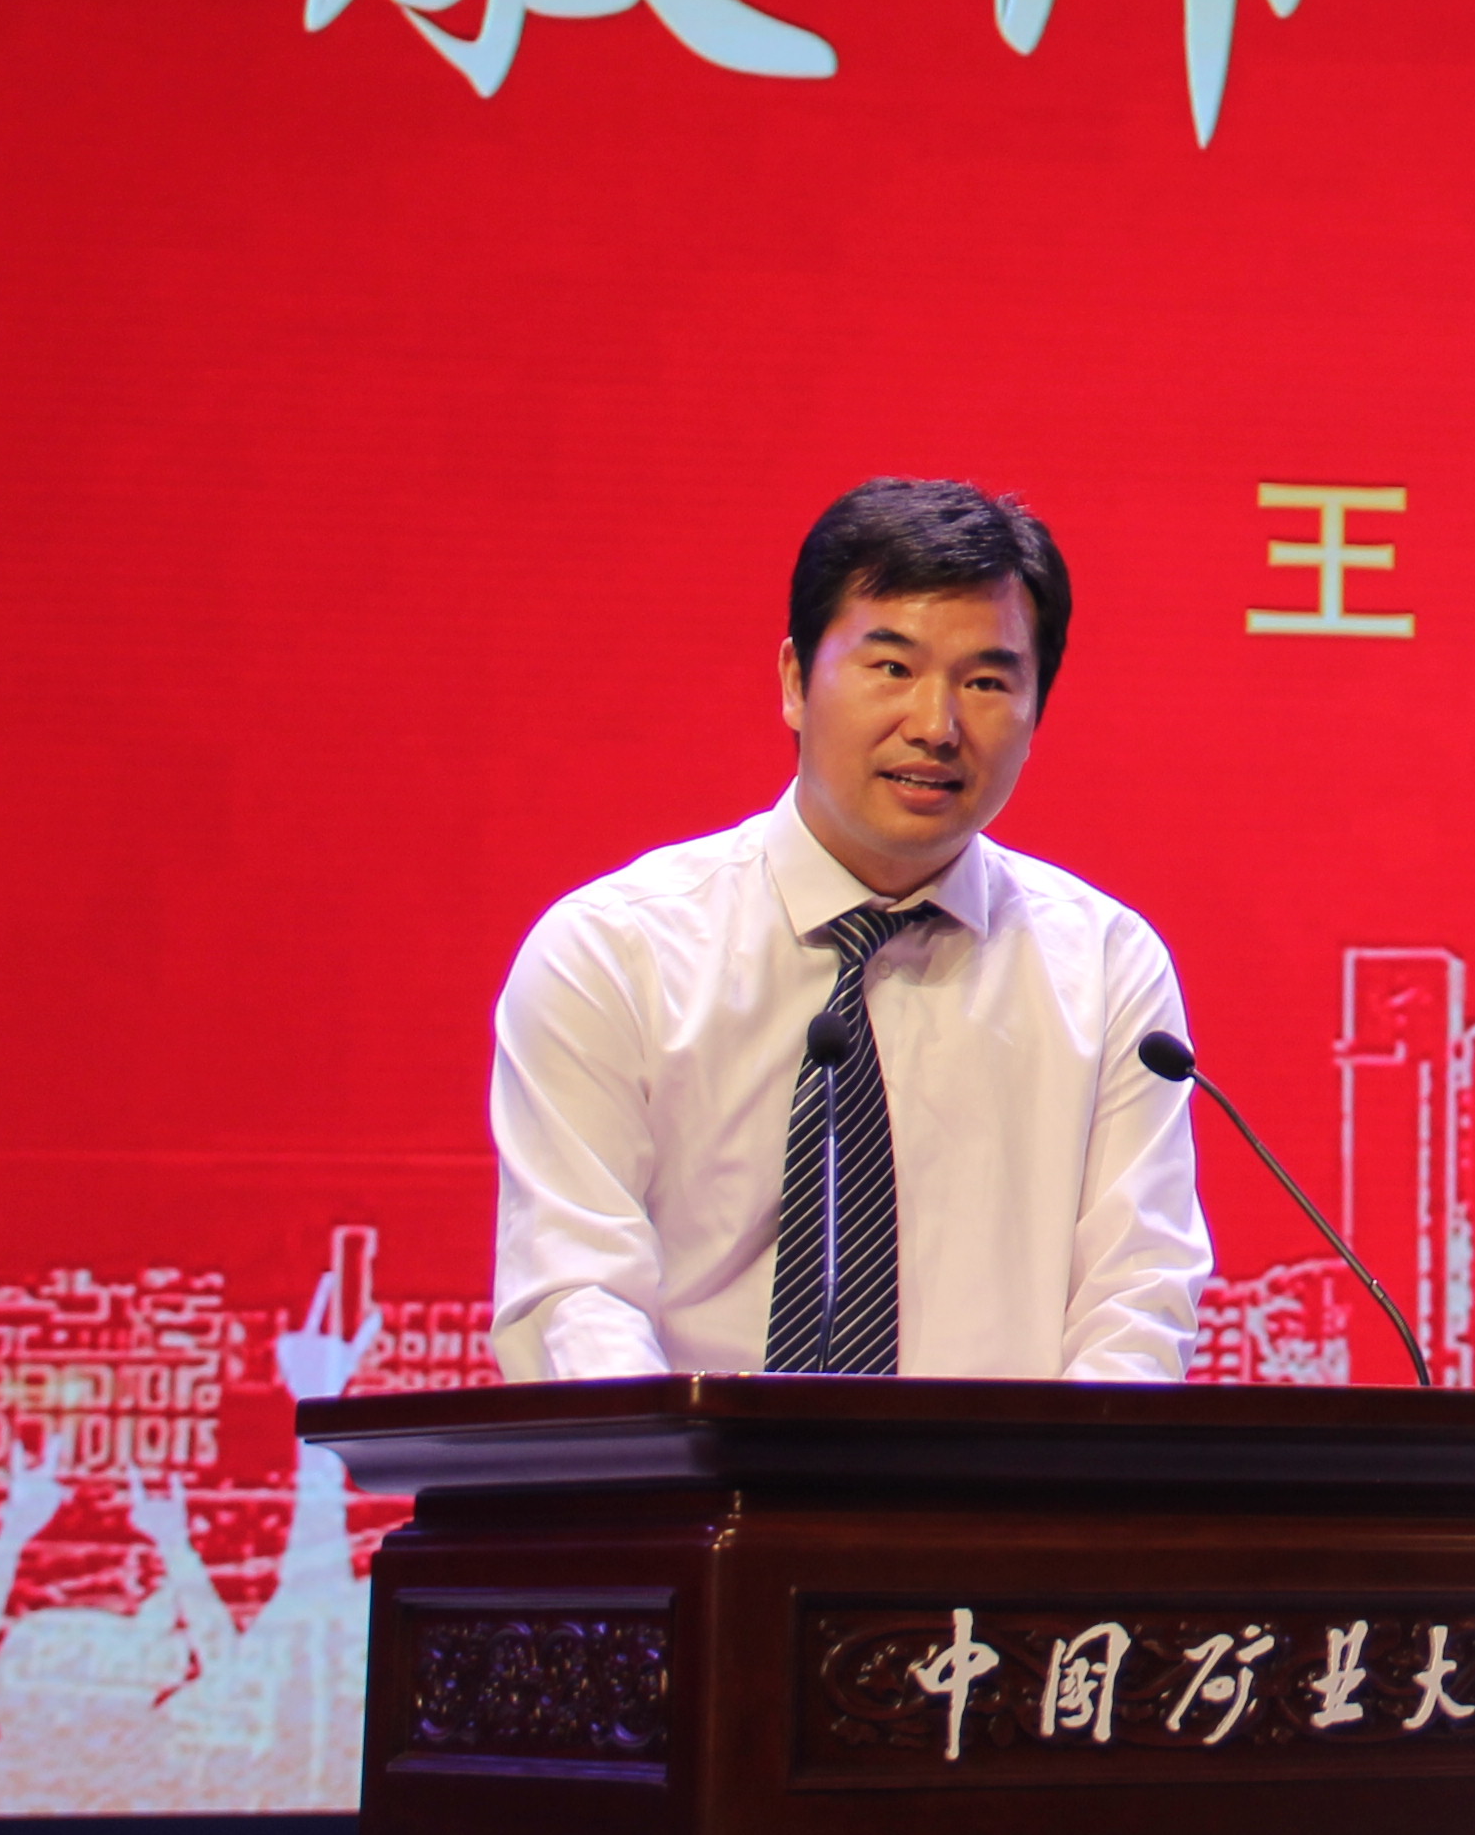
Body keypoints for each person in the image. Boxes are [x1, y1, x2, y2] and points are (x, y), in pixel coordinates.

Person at [487, 478, 1209, 1381]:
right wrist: (671, 1465)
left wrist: (1052, 1473)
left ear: (1037, 714)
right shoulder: (613, 954)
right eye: (893, 669)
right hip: (698, 1472)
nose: (936, 727)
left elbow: (1138, 1298)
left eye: (986, 682)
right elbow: (576, 1290)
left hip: (1007, 1477)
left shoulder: (1106, 969)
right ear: (796, 681)